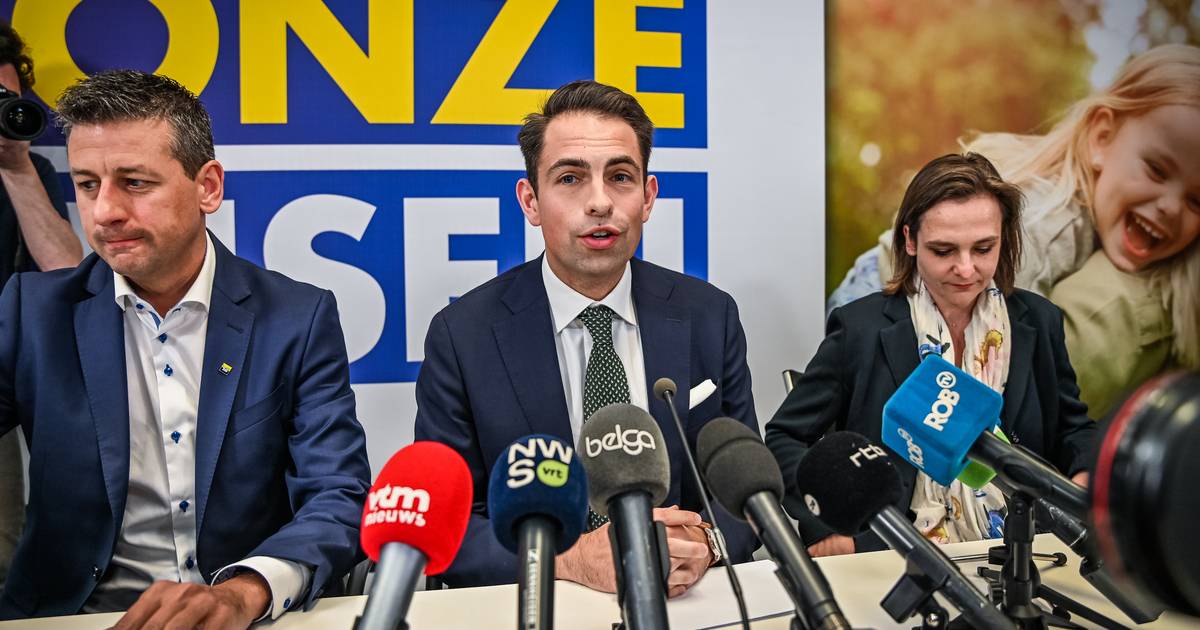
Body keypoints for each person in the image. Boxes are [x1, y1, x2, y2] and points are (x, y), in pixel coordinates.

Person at [0, 70, 370, 626]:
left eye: (134, 183)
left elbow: (337, 494)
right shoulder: (32, 311)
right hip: (75, 615)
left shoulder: (297, 317)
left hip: (243, 614)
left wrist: (245, 592)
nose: (104, 212)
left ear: (208, 187)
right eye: (87, 185)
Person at [414, 80, 758, 595]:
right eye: (570, 178)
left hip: (685, 603)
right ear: (531, 201)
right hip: (542, 601)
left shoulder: (710, 315)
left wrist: (706, 542)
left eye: (620, 177)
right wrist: (570, 559)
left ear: (648, 197)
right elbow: (447, 524)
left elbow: (746, 490)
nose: (599, 202)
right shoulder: (463, 335)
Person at [828, 45, 1200, 419]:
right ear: (1102, 138)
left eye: (1196, 200)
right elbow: (983, 320)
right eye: (1156, 170)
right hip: (881, 290)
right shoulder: (1047, 224)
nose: (1170, 206)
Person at [768, 153, 1095, 556]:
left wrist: (1085, 475)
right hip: (889, 551)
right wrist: (829, 526)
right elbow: (785, 437)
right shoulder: (860, 328)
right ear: (909, 240)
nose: (966, 269)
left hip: (1021, 548)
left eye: (983, 248)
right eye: (944, 251)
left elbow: (1073, 430)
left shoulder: (1039, 322)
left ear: (1004, 238)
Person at [0, 19, 83, 593]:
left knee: (3, 548)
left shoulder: (31, 172)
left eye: (7, 98)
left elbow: (65, 275)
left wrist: (15, 167)